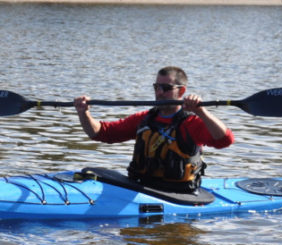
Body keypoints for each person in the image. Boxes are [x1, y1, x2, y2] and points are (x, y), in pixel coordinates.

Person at [74, 66, 234, 193]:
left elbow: (225, 140)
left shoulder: (191, 123)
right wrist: (84, 112)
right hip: (141, 186)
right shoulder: (144, 119)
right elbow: (101, 133)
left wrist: (201, 111)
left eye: (165, 88)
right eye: (156, 87)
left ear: (182, 91)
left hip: (177, 192)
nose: (159, 93)